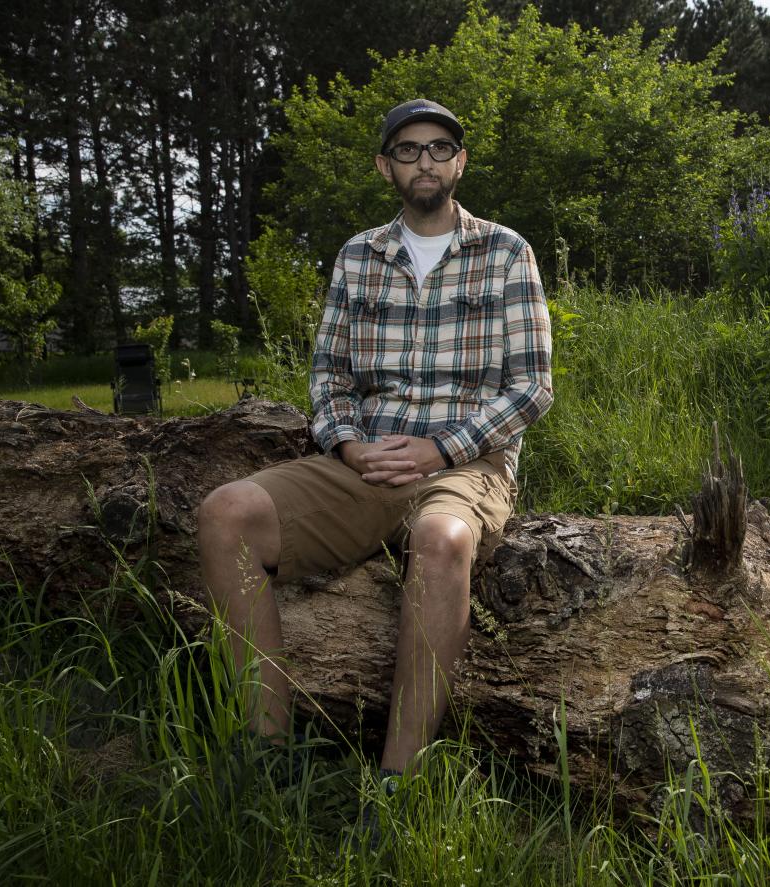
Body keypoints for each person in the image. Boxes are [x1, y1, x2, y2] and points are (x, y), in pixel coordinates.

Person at [196, 98, 553, 794]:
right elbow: (328, 377)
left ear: (461, 162)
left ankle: (398, 780)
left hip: (468, 461)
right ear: (385, 166)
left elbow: (532, 387)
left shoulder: (507, 251)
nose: (427, 161)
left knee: (442, 539)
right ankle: (268, 756)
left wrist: (440, 449)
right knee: (225, 512)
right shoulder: (359, 257)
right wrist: (351, 447)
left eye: (440, 148)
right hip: (366, 461)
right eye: (410, 149)